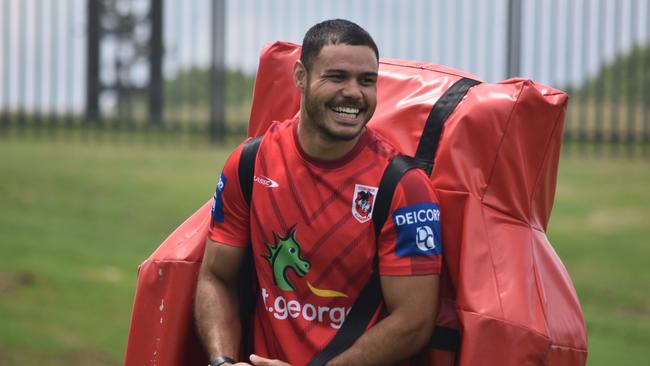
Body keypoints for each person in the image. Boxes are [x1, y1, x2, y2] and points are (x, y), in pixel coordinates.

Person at [195, 19, 442, 366]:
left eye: (367, 81)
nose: (354, 92)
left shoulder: (404, 186)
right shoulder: (250, 163)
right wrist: (223, 361)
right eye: (337, 77)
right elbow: (216, 277)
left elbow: (413, 323)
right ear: (300, 77)